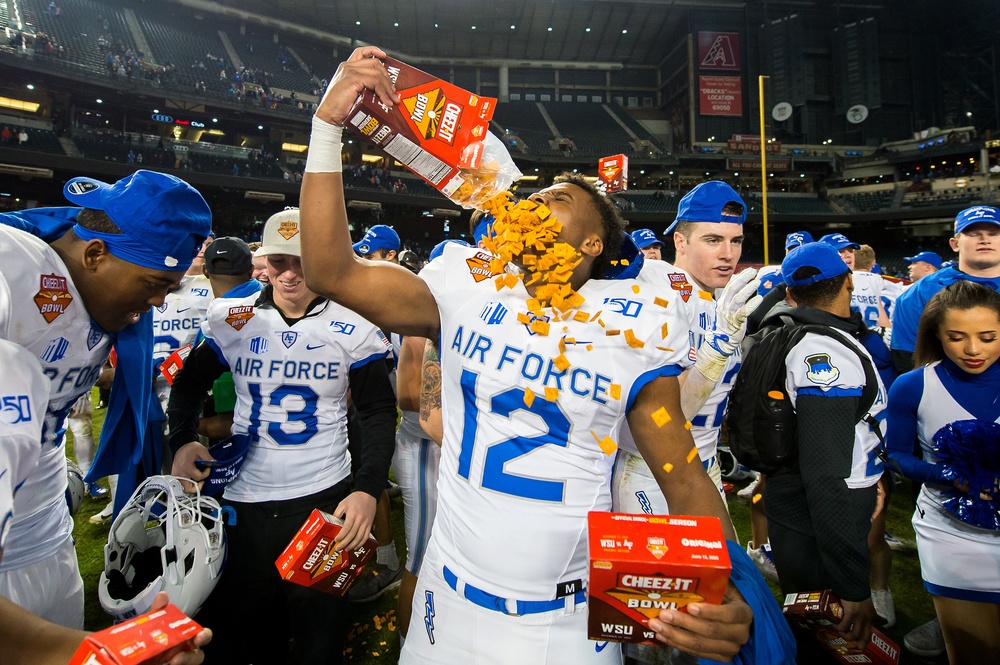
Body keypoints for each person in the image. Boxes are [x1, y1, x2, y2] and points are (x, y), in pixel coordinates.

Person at [297, 47, 791, 664]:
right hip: (446, 598)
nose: (535, 200)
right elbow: (329, 270)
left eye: (558, 197)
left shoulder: (631, 331)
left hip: (565, 620)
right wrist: (325, 128)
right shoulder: (465, 288)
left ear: (592, 241)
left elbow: (686, 479)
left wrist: (725, 586)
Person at [168, 209, 397, 665]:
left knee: (320, 636)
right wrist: (182, 437)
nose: (288, 273)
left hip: (321, 500)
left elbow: (376, 410)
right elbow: (189, 382)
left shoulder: (354, 323)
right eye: (277, 262)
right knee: (242, 637)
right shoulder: (230, 317)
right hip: (242, 499)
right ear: (263, 262)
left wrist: (367, 488)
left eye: (300, 260)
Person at [0, 170, 211, 628]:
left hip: (45, 524)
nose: (157, 303)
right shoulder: (11, 262)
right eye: (153, 283)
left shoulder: (109, 298)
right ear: (95, 253)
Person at [762, 242, 885, 647]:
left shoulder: (806, 332)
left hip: (802, 498)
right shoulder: (823, 350)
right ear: (849, 279)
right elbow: (824, 472)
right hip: (819, 508)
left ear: (791, 295)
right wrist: (853, 586)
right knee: (826, 634)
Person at [885, 281, 1000, 662]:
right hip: (950, 536)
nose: (972, 350)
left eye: (988, 337)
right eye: (956, 337)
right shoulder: (912, 385)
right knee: (972, 654)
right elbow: (897, 454)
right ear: (936, 334)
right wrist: (948, 476)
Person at [891, 206, 1000, 375]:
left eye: (993, 234)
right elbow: (908, 358)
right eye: (973, 234)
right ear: (955, 244)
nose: (984, 240)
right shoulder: (919, 292)